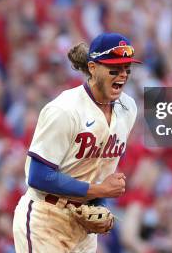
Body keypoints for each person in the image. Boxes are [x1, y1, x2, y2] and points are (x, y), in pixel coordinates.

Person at [12, 32, 141, 252]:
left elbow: (99, 169)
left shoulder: (128, 108)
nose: (122, 75)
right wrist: (97, 190)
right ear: (93, 68)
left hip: (82, 226)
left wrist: (99, 206)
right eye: (114, 69)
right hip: (45, 219)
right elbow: (38, 175)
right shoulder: (64, 110)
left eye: (126, 68)